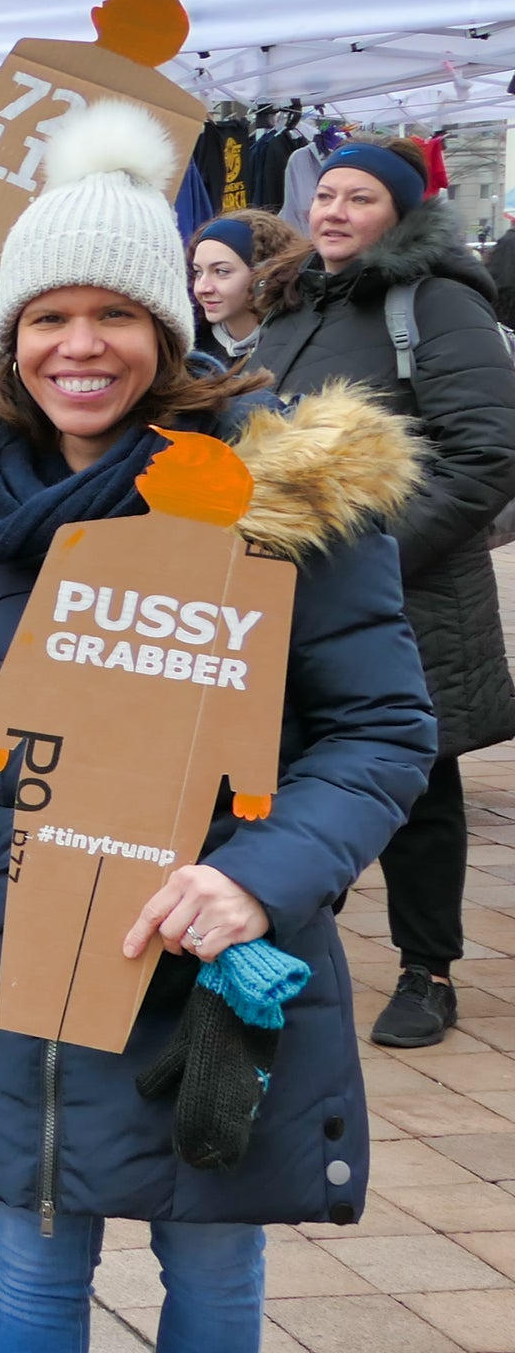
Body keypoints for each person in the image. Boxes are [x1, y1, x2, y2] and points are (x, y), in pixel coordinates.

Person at [0, 103, 438, 1347]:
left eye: (117, 316)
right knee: (34, 1268)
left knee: (210, 1268)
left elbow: (380, 727)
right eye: (49, 316)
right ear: (11, 336)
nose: (79, 346)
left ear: (173, 327)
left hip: (209, 945)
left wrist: (254, 880)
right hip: (26, 947)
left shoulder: (279, 491)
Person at [246, 137, 515, 1050]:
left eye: (360, 199)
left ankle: (426, 971)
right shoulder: (291, 304)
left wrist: (371, 564)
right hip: (284, 590)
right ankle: (274, 945)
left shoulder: (434, 302)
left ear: (400, 213)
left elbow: (484, 453)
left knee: (418, 785)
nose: (333, 213)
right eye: (326, 195)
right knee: (287, 774)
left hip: (409, 591)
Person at [189, 209, 303, 364]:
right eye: (198, 272)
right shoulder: (189, 351)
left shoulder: (297, 346)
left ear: (264, 273)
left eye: (221, 272)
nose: (202, 288)